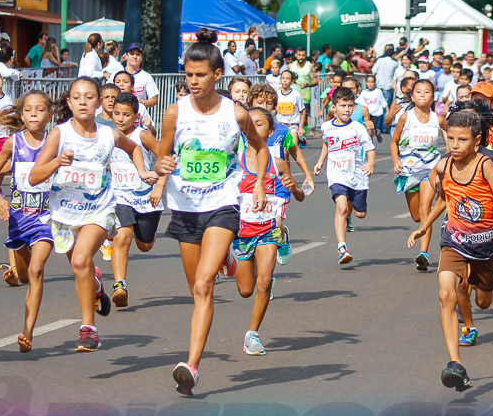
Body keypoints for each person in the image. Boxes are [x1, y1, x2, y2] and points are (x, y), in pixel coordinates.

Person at [155, 29, 269, 395]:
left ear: (217, 75)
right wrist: (162, 167)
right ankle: (230, 262)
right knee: (196, 291)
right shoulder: (175, 112)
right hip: (185, 207)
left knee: (205, 284)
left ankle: (192, 366)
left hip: (222, 204)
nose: (193, 81)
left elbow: (260, 147)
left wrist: (260, 183)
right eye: (188, 75)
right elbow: (161, 155)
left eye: (200, 74)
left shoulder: (235, 113)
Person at [28, 77, 157, 353]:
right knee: (81, 268)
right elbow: (35, 176)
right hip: (63, 213)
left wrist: (143, 172)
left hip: (99, 209)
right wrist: (56, 162)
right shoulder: (59, 135)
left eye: (89, 97)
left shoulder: (109, 135)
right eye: (77, 97)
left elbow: (134, 148)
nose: (83, 101)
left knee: (80, 259)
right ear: (69, 102)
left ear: (100, 104)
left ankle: (89, 329)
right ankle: (96, 284)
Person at [407, 108, 493, 392]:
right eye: (451, 139)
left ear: (477, 140)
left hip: (486, 245)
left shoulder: (486, 166)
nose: (455, 146)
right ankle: (455, 363)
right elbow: (444, 200)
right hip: (454, 240)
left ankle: (479, 291)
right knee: (446, 293)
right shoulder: (444, 166)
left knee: (484, 302)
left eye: (462, 140)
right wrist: (425, 225)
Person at [0, 90, 56, 341]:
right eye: (28, 109)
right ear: (21, 114)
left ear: (49, 114)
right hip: (18, 219)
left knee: (36, 270)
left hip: (46, 219)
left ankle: (28, 332)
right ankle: (20, 274)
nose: (34, 113)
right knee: (25, 275)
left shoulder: (56, 143)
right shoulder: (14, 143)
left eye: (39, 109)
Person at [234, 107, 305, 355]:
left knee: (265, 281)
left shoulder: (279, 164)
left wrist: (294, 187)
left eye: (260, 124)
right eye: (249, 124)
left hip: (268, 229)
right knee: (245, 290)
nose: (253, 128)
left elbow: (300, 197)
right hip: (242, 234)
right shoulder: (235, 163)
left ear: (271, 131)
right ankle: (236, 262)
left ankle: (252, 335)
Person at [108, 92, 165, 307]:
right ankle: (120, 285)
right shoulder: (108, 134)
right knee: (122, 236)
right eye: (116, 114)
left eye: (126, 115)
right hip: (119, 195)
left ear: (136, 116)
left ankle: (149, 237)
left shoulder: (142, 136)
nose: (120, 119)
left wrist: (159, 186)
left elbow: (165, 158)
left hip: (145, 196)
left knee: (145, 246)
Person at [314, 86, 376, 265]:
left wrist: (370, 163)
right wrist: (320, 162)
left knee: (361, 214)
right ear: (334, 107)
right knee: (340, 207)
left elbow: (370, 148)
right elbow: (327, 144)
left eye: (350, 106)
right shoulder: (327, 127)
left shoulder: (357, 128)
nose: (347, 110)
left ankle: (350, 211)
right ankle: (342, 248)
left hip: (357, 175)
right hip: (337, 174)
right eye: (342, 106)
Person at [391, 79, 445, 270]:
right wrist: (396, 161)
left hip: (430, 170)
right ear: (412, 96)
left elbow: (451, 139)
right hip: (409, 171)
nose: (422, 95)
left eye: (427, 92)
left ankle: (423, 253)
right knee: (416, 216)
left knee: (425, 208)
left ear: (433, 96)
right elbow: (394, 142)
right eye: (419, 92)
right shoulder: (406, 117)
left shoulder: (438, 119)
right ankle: (424, 229)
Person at [122, 44, 160, 110]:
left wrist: (142, 102)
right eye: (132, 54)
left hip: (138, 115)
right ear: (126, 56)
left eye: (138, 55)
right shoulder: (117, 74)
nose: (135, 57)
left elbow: (154, 99)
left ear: (141, 58)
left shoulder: (146, 76)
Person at [358, 74, 387, 140]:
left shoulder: (378, 91)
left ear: (375, 83)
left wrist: (387, 111)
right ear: (366, 83)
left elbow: (383, 102)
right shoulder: (363, 92)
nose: (370, 84)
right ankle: (370, 139)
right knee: (367, 129)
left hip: (375, 114)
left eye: (372, 82)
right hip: (367, 114)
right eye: (368, 82)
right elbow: (359, 102)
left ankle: (376, 132)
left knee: (371, 129)